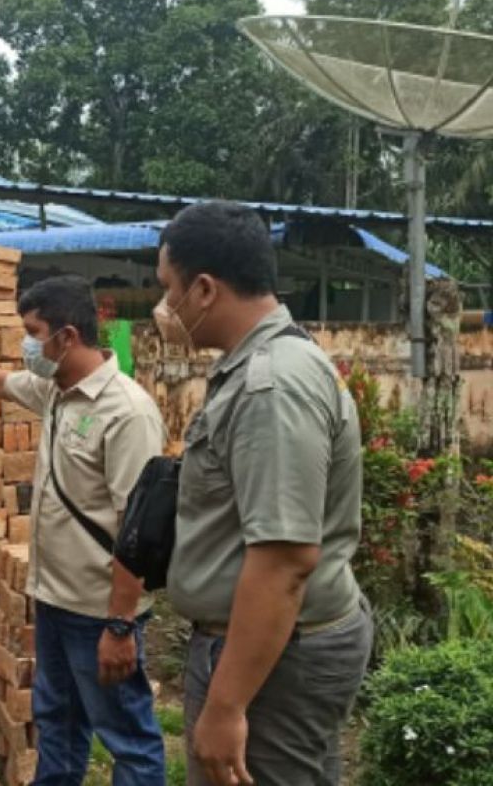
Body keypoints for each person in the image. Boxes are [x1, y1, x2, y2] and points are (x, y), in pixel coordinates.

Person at [0, 275, 167, 786]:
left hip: (99, 610)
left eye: (32, 332)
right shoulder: (57, 391)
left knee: (127, 738)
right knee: (57, 722)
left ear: (67, 336)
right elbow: (1, 383)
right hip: (54, 599)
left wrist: (120, 626)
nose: (26, 345)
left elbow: (139, 532)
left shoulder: (126, 411)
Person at [155, 201, 372, 786]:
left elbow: (284, 562)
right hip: (273, 650)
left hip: (272, 661)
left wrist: (226, 707)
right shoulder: (259, 365)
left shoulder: (269, 387)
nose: (163, 307)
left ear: (203, 289)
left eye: (168, 288)